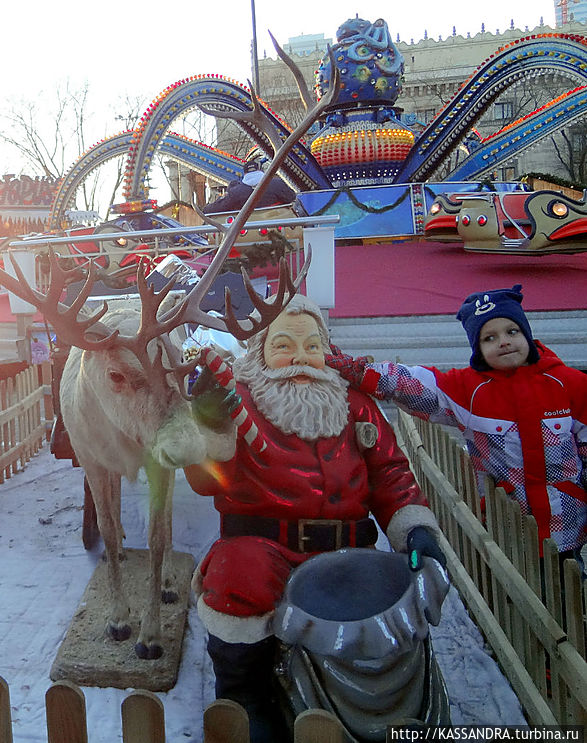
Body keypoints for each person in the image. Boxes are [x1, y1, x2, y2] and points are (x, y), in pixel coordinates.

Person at [184, 294, 444, 742]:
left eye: (311, 345)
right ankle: (246, 695)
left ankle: (385, 698)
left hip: (347, 547)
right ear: (261, 352)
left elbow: (389, 472)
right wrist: (209, 426)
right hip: (263, 543)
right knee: (238, 577)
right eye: (283, 345)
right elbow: (210, 480)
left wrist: (413, 526)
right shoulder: (241, 400)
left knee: (387, 601)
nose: (299, 358)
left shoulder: (354, 403)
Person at [327, 283, 587, 569]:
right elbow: (414, 383)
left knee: (568, 594)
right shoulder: (469, 390)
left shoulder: (569, 383)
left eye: (512, 331)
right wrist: (362, 372)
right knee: (513, 592)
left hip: (566, 522)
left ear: (526, 333)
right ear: (477, 348)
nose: (503, 341)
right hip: (508, 528)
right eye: (489, 338)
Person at [202, 158, 296, 214]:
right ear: (260, 170)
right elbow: (291, 197)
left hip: (249, 230)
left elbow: (221, 206)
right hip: (279, 227)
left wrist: (205, 209)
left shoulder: (236, 192)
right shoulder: (277, 184)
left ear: (245, 173)